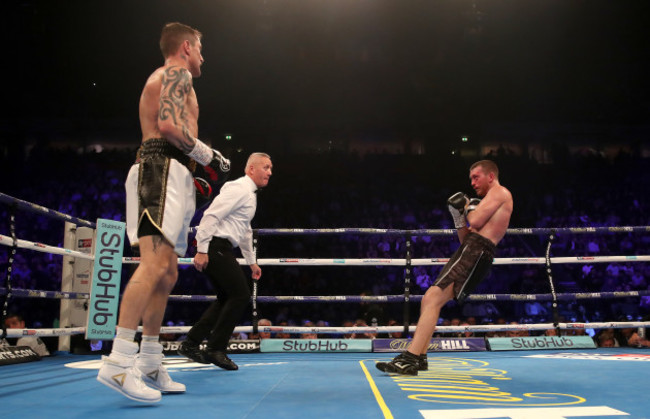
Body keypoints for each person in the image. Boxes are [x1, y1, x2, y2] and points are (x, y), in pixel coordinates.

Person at [97, 22, 231, 403]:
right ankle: (119, 361)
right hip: (160, 170)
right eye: (201, 50)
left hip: (172, 173)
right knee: (154, 265)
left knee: (168, 269)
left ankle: (150, 360)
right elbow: (169, 125)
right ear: (186, 47)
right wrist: (209, 155)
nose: (203, 57)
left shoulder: (175, 77)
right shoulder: (176, 73)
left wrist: (196, 167)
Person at [377, 160, 512, 375]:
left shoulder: (499, 192)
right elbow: (465, 237)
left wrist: (467, 207)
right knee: (430, 299)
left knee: (432, 297)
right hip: (470, 250)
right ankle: (419, 356)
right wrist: (458, 217)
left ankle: (410, 358)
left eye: (476, 177)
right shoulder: (489, 199)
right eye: (470, 178)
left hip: (476, 252)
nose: (472, 182)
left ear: (491, 176)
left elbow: (475, 221)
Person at [178, 152, 272, 370]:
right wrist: (201, 249)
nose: (270, 172)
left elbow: (245, 230)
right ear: (251, 169)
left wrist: (251, 262)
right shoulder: (239, 189)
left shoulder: (250, 194)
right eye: (265, 167)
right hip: (214, 246)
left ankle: (191, 343)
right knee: (240, 295)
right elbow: (211, 215)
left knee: (225, 298)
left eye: (270, 168)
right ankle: (215, 348)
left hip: (220, 246)